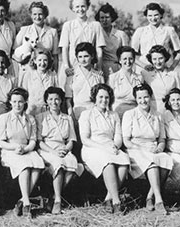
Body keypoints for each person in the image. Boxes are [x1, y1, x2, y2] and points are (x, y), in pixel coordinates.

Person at [122, 83, 173, 215]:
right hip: (135, 149)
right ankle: (159, 200)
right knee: (152, 163)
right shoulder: (130, 114)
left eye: (146, 97)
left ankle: (150, 196)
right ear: (136, 99)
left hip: (153, 148)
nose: (143, 101)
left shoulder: (158, 115)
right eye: (139, 98)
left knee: (166, 160)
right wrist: (140, 148)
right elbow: (126, 141)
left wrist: (160, 147)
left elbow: (162, 139)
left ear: (150, 97)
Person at [79, 84, 130, 214]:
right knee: (108, 161)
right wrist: (104, 148)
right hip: (92, 148)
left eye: (107, 97)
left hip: (110, 146)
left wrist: (115, 146)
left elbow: (118, 136)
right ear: (94, 98)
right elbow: (85, 139)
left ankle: (108, 198)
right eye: (100, 97)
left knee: (124, 160)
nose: (104, 100)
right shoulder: (86, 114)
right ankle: (117, 201)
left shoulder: (113, 115)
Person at [0, 88, 45, 219]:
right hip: (10, 151)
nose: (17, 105)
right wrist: (14, 148)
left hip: (26, 149)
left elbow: (33, 140)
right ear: (10, 102)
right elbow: (1, 142)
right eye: (14, 101)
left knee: (38, 164)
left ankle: (22, 200)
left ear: (25, 103)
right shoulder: (4, 118)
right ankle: (27, 203)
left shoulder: (30, 119)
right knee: (25, 165)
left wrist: (26, 149)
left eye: (20, 102)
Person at [37, 87, 83, 214]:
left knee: (73, 165)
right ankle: (57, 200)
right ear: (46, 101)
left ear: (61, 101)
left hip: (63, 149)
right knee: (59, 165)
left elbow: (71, 140)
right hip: (47, 150)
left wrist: (66, 150)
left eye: (57, 99)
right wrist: (53, 152)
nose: (54, 102)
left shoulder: (67, 118)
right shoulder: (40, 117)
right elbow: (39, 141)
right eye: (50, 99)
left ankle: (52, 197)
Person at [59, 0, 106, 85]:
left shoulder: (95, 25)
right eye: (77, 7)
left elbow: (99, 48)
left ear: (88, 7)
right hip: (72, 65)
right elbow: (64, 48)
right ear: (73, 8)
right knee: (70, 91)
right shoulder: (68, 25)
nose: (80, 9)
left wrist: (99, 67)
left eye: (83, 6)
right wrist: (66, 66)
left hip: (90, 64)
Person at [131, 3, 180, 70]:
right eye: (150, 15)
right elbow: (131, 54)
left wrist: (172, 67)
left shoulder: (169, 30)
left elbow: (179, 52)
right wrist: (143, 66)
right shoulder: (140, 31)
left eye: (156, 15)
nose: (153, 18)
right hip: (143, 70)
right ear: (146, 16)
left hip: (162, 69)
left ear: (161, 15)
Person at [65, 42, 104, 120]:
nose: (83, 60)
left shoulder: (98, 76)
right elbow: (68, 100)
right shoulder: (72, 75)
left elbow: (102, 98)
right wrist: (71, 116)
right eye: (80, 57)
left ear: (92, 56)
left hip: (95, 112)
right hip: (78, 111)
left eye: (86, 56)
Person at [15, 1, 59, 70]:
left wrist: (56, 73)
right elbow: (14, 51)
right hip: (27, 71)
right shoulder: (24, 30)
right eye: (35, 14)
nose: (37, 17)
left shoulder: (53, 32)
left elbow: (55, 56)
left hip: (46, 71)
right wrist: (20, 60)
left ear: (45, 15)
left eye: (40, 14)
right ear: (31, 15)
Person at [18, 48, 58, 116]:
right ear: (34, 61)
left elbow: (57, 94)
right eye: (39, 60)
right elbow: (23, 95)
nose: (42, 63)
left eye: (45, 60)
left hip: (48, 111)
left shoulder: (53, 75)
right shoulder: (28, 75)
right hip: (32, 111)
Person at [95, 3, 130, 79]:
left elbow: (126, 53)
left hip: (117, 67)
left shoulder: (121, 34)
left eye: (107, 17)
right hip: (100, 67)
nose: (104, 20)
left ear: (112, 18)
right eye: (102, 18)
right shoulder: (96, 33)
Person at [142, 45, 180, 113]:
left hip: (170, 112)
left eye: (160, 58)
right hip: (153, 111)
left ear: (165, 58)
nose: (158, 62)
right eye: (154, 59)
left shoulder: (173, 74)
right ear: (150, 60)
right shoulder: (145, 74)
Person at [108, 46, 143, 118]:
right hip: (118, 113)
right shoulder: (113, 78)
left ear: (134, 60)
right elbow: (108, 99)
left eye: (130, 59)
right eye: (124, 59)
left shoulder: (140, 77)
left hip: (135, 113)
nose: (128, 62)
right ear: (120, 60)